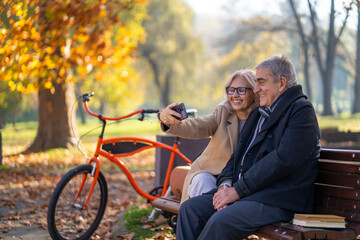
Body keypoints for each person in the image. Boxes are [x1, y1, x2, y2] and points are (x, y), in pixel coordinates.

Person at [176, 55, 321, 240]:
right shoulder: (260, 113)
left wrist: (237, 191)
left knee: (221, 221)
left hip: (279, 199)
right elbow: (237, 156)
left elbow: (282, 160)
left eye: (261, 82)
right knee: (190, 209)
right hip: (250, 193)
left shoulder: (301, 111)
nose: (256, 88)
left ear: (282, 83)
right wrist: (225, 186)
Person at [158, 69, 259, 202]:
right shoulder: (223, 113)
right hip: (213, 174)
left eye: (241, 90)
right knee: (202, 181)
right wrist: (168, 121)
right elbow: (198, 126)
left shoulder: (263, 118)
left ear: (254, 91)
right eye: (231, 89)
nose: (234, 95)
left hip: (243, 180)